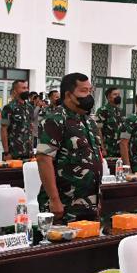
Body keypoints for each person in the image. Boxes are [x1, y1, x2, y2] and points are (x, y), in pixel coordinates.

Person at [37, 72, 103, 222]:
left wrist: (98, 199)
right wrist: (54, 199)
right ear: (68, 94)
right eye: (83, 91)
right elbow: (43, 159)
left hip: (89, 203)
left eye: (90, 91)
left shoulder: (89, 121)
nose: (88, 95)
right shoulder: (55, 119)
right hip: (65, 203)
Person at [0, 79, 34, 161]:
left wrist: (32, 149)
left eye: (26, 88)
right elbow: (3, 130)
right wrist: (6, 152)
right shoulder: (8, 108)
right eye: (23, 88)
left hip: (28, 153)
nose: (26, 90)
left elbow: (31, 128)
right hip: (14, 154)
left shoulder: (30, 107)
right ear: (15, 91)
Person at [94, 87, 124, 158]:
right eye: (115, 94)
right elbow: (98, 130)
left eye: (119, 94)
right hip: (108, 149)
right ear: (108, 97)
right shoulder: (102, 110)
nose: (118, 96)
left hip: (119, 149)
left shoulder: (119, 110)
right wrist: (102, 149)